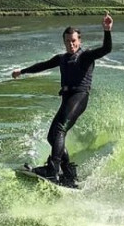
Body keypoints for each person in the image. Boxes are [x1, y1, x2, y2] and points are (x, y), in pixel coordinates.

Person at [12, 13, 113, 186]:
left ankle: (52, 170)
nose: (71, 44)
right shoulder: (62, 59)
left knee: (59, 130)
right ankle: (68, 173)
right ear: (64, 42)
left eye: (74, 41)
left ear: (79, 41)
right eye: (67, 41)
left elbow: (106, 49)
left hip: (79, 97)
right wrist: (22, 71)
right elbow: (42, 65)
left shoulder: (85, 56)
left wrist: (107, 31)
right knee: (52, 137)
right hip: (67, 99)